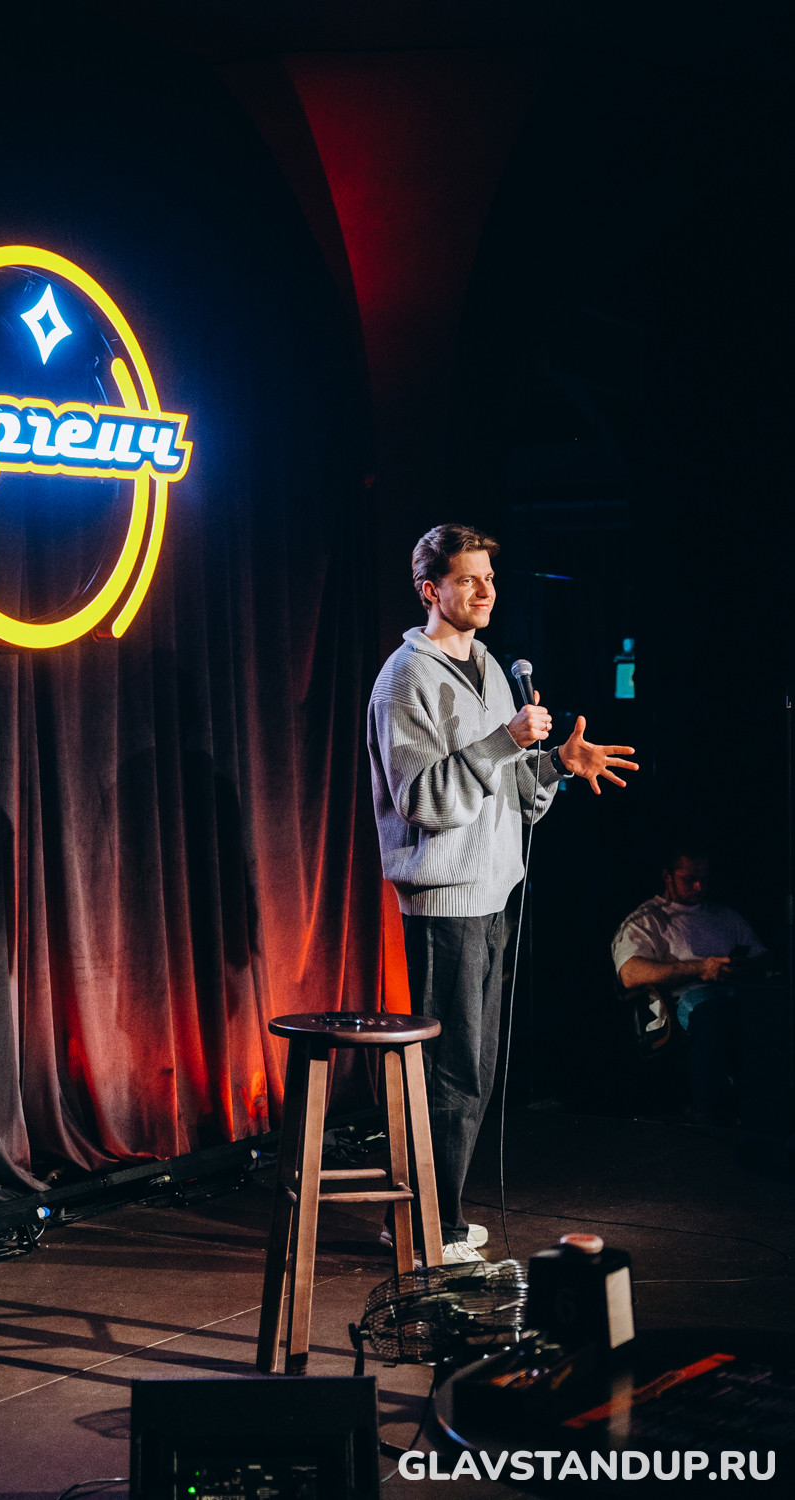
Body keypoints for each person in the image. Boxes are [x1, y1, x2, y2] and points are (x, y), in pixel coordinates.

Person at [368, 523, 637, 1262]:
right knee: (452, 1071)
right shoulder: (405, 679)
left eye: (490, 577)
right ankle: (427, 1228)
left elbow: (502, 785)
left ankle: (430, 1219)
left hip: (495, 892)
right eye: (469, 579)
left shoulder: (488, 665)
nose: (487, 591)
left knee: (475, 1070)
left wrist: (552, 766)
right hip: (445, 902)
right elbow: (423, 799)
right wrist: (506, 742)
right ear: (432, 590)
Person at [612, 846, 767, 1124]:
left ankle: (764, 1109)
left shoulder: (724, 916)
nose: (698, 886)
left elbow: (762, 956)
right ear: (667, 875)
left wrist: (740, 966)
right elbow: (630, 973)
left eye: (704, 879)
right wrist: (700, 968)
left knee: (767, 1010)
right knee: (712, 1012)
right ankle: (707, 1110)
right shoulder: (647, 920)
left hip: (736, 992)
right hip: (684, 999)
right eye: (689, 879)